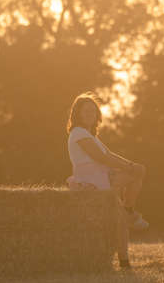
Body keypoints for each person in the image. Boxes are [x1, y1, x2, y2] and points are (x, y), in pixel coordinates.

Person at [66, 91, 148, 268]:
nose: (90, 114)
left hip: (103, 176)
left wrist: (131, 164)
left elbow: (109, 154)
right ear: (77, 113)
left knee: (120, 218)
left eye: (93, 111)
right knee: (134, 176)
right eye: (85, 111)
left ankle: (125, 259)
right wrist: (130, 168)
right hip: (93, 180)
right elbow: (100, 158)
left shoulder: (90, 135)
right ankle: (129, 212)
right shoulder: (78, 132)